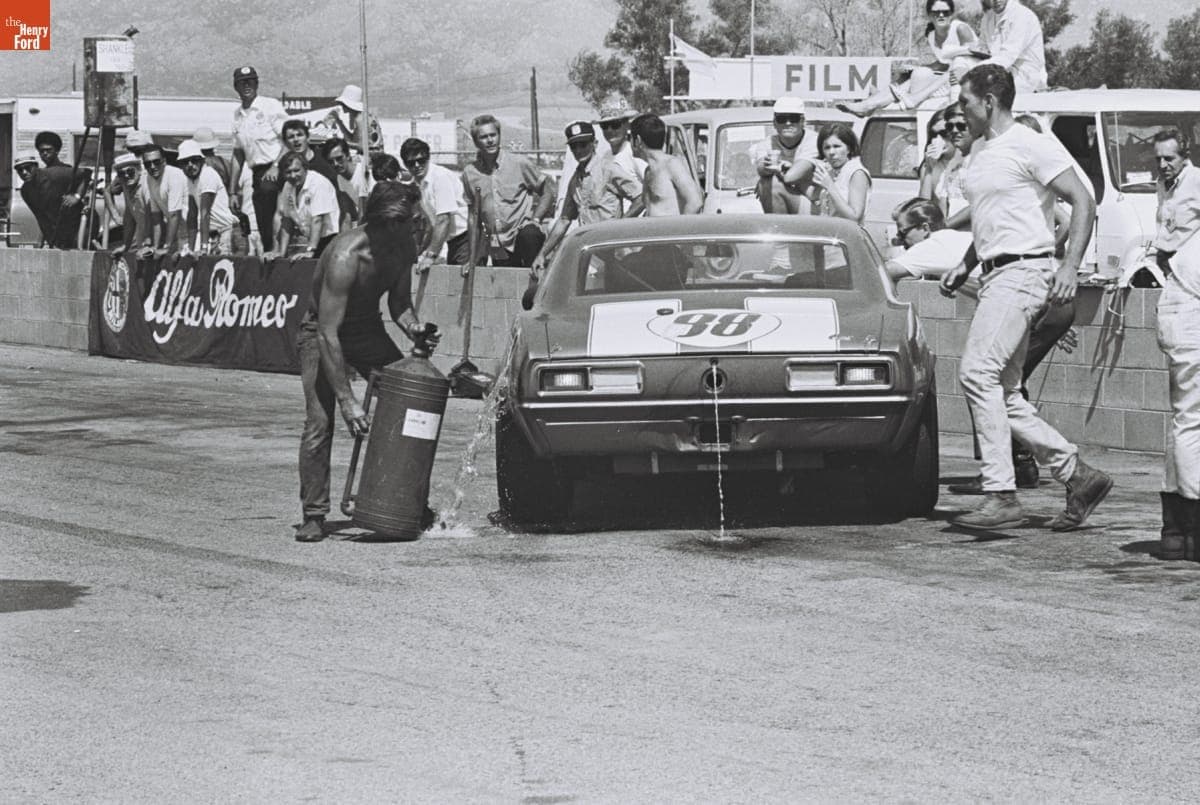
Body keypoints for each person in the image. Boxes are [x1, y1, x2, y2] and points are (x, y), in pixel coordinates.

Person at [938, 64, 1109, 531]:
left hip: (1023, 274)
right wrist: (967, 263)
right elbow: (994, 216)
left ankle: (1001, 492)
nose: (962, 111)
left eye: (967, 103)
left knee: (976, 372)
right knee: (1005, 393)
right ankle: (1078, 474)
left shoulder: (1030, 142)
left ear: (989, 102)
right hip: (995, 274)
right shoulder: (981, 151)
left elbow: (1084, 199)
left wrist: (1070, 265)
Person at [294, 180, 435, 542]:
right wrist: (348, 402)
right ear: (390, 222)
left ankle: (409, 501)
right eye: (412, 220)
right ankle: (314, 513)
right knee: (319, 422)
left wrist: (415, 328)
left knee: (407, 401)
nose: (419, 226)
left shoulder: (404, 243)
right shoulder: (345, 256)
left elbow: (400, 304)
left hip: (366, 328)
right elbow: (328, 333)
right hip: (321, 333)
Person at [1149, 128, 1200, 560]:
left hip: (1178, 300)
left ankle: (1174, 528)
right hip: (1187, 307)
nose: (1164, 165)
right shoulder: (1170, 190)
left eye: (1170, 158)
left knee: (1184, 420)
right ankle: (1192, 527)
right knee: (1193, 422)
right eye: (1159, 158)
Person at [532, 121, 643, 277]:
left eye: (583, 144)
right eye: (574, 146)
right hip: (590, 252)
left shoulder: (609, 169)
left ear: (594, 143)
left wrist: (620, 224)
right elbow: (564, 220)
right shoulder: (575, 180)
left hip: (613, 250)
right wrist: (542, 254)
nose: (579, 150)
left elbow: (641, 197)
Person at [839, 0, 978, 117]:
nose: (941, 15)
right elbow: (943, 63)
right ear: (930, 16)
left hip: (966, 75)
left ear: (951, 14)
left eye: (945, 12)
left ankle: (871, 103)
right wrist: (917, 68)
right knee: (915, 73)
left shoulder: (960, 28)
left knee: (936, 71)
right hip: (948, 76)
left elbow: (971, 57)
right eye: (936, 13)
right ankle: (871, 104)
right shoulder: (931, 36)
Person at [460, 114, 555, 268]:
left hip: (523, 236)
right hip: (498, 244)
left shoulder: (519, 163)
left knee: (531, 279)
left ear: (499, 136)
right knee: (507, 287)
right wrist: (472, 257)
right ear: (476, 142)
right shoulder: (470, 173)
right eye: (484, 137)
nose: (490, 140)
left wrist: (536, 219)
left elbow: (548, 191)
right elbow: (473, 216)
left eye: (493, 135)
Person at [229, 65, 288, 252]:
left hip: (278, 167)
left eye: (250, 81)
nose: (247, 86)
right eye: (242, 83)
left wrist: (276, 166)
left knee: (277, 215)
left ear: (257, 83)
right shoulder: (237, 116)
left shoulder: (270, 106)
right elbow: (238, 154)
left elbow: (288, 138)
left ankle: (281, 253)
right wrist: (232, 191)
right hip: (257, 172)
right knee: (262, 220)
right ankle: (271, 254)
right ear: (235, 87)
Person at [399, 137, 471, 270]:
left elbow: (443, 220)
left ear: (428, 158)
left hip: (466, 239)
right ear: (405, 164)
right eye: (411, 163)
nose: (417, 166)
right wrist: (423, 252)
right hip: (452, 241)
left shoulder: (440, 178)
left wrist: (431, 255)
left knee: (460, 285)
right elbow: (431, 225)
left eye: (421, 160)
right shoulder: (417, 184)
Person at [952, 0, 1047, 94]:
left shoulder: (1022, 16)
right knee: (961, 60)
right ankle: (955, 101)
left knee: (979, 85)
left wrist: (971, 73)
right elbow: (983, 49)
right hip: (999, 70)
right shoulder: (988, 18)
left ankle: (959, 102)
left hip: (1025, 75)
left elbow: (1007, 58)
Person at [21, 131, 91, 249]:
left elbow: (86, 174)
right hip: (57, 229)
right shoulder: (39, 177)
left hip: (76, 224)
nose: (45, 154)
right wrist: (41, 241)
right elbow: (43, 214)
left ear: (57, 151)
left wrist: (77, 197)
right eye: (41, 151)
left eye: (49, 150)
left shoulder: (62, 171)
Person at [750, 97, 817, 214]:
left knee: (771, 183)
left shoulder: (814, 141)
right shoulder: (766, 143)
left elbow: (792, 176)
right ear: (774, 123)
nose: (788, 123)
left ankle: (781, 229)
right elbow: (761, 168)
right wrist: (767, 169)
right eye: (782, 119)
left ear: (803, 121)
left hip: (815, 204)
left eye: (793, 118)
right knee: (766, 183)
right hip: (793, 201)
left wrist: (778, 168)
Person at [629, 113, 703, 217]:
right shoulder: (648, 171)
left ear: (638, 140)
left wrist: (678, 230)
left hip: (670, 231)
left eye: (630, 138)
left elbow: (695, 202)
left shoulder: (672, 164)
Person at [884, 197, 973, 282]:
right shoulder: (956, 237)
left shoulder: (932, 245)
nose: (899, 238)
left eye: (903, 232)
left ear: (925, 228)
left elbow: (881, 273)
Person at [273, 151, 340, 261]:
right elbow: (287, 221)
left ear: (305, 168)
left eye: (296, 170)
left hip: (331, 240)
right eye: (288, 172)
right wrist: (281, 253)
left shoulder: (318, 183)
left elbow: (317, 220)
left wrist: (310, 251)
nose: (293, 176)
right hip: (312, 239)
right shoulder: (288, 185)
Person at [801, 124, 871, 224]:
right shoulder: (832, 171)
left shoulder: (856, 173)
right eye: (827, 148)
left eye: (837, 146)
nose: (832, 152)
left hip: (848, 234)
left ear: (849, 148)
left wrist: (830, 186)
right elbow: (814, 195)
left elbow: (855, 217)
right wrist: (784, 173)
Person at [178, 140, 236, 255]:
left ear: (201, 161)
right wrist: (191, 247)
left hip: (224, 232)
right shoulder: (190, 180)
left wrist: (203, 248)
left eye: (194, 160)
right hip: (210, 233)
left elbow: (205, 213)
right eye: (185, 162)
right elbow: (192, 215)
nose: (190, 165)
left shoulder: (208, 174)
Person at [140, 144, 189, 257]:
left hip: (195, 232)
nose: (152, 166)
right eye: (148, 164)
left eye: (156, 162)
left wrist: (166, 247)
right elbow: (156, 217)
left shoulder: (174, 175)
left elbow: (174, 215)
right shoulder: (149, 178)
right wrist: (155, 247)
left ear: (164, 161)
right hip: (179, 234)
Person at [319, 84, 383, 154]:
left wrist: (338, 142)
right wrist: (339, 121)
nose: (341, 106)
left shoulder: (360, 120)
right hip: (376, 154)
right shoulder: (364, 116)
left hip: (371, 157)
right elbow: (353, 140)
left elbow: (361, 147)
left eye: (342, 104)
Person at [281, 118, 338, 188]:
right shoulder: (285, 165)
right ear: (285, 143)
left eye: (299, 135)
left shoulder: (325, 156)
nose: (296, 139)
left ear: (308, 137)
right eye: (291, 137)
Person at [917, 108, 955, 201]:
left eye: (944, 133)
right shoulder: (930, 165)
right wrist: (928, 171)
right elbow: (924, 205)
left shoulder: (970, 160)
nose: (937, 138)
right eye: (934, 134)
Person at [323, 138, 361, 228]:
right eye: (331, 162)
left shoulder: (363, 172)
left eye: (339, 158)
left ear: (347, 155)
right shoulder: (340, 178)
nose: (335, 164)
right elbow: (347, 215)